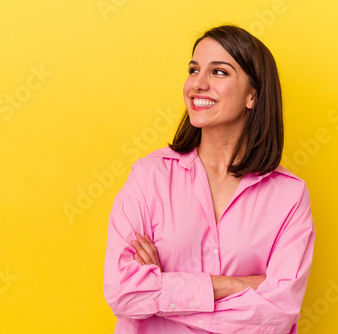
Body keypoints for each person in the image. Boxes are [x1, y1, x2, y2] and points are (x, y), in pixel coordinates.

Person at [103, 25, 315, 334]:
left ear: (252, 95)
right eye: (194, 69)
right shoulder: (149, 176)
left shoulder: (289, 195)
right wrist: (232, 285)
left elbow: (278, 314)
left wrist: (165, 292)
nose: (198, 84)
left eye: (219, 72)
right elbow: (122, 292)